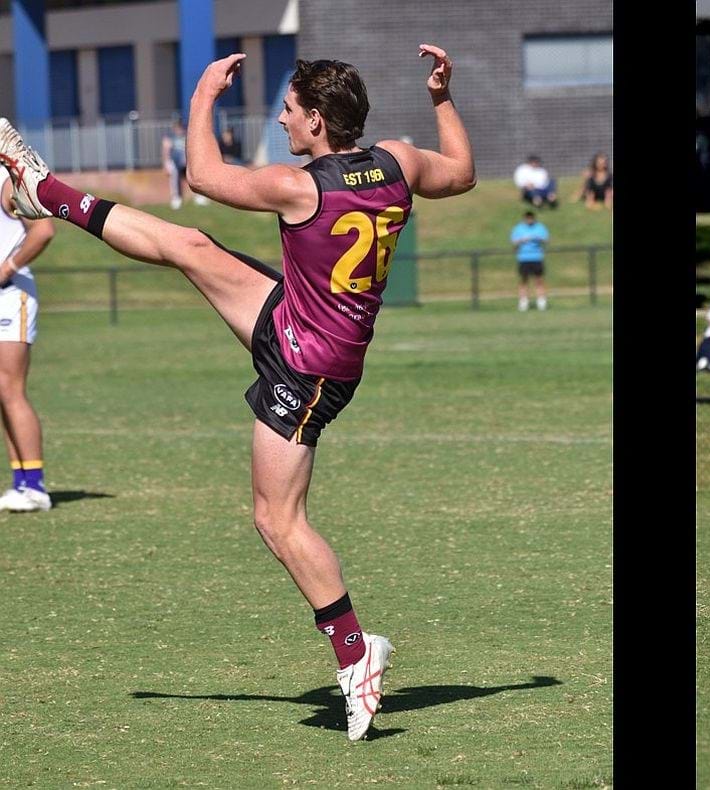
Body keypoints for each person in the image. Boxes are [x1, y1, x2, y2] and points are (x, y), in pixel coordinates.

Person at [0, 43, 476, 741]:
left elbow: (201, 173)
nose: (282, 123)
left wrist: (201, 96)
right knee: (190, 247)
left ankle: (355, 653)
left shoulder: (299, 187)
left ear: (317, 121)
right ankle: (52, 194)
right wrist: (440, 97)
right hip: (296, 324)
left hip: (306, 367)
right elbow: (460, 174)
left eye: (289, 112)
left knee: (276, 520)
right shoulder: (398, 160)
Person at [0, 178, 54, 512]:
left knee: (10, 387)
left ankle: (36, 486)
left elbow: (43, 230)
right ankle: (21, 482)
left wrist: (7, 267)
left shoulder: (6, 182)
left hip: (11, 295)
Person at [161, 119, 208, 210]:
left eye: (180, 127)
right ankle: (176, 198)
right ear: (174, 128)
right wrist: (165, 164)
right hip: (174, 162)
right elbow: (166, 151)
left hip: (187, 162)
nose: (179, 130)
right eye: (177, 128)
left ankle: (199, 197)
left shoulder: (186, 136)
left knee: (194, 177)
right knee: (175, 177)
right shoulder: (170, 137)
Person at [510, 210, 549, 311]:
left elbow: (546, 239)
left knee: (539, 280)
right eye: (528, 218)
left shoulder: (540, 227)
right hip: (523, 258)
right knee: (523, 280)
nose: (529, 220)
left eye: (531, 218)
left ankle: (541, 302)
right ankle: (523, 302)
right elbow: (514, 242)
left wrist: (538, 238)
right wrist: (522, 240)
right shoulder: (518, 228)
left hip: (537, 257)